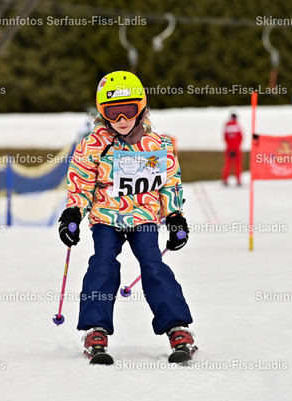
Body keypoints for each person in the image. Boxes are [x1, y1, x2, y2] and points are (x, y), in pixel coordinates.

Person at [58, 71, 196, 364]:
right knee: (102, 263)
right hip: (106, 217)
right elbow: (81, 183)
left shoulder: (157, 145)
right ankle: (95, 329)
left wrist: (175, 217)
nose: (121, 119)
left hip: (143, 217)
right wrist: (73, 213)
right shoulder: (93, 145)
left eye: (129, 111)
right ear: (102, 113)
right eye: (113, 113)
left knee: (153, 264)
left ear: (142, 109)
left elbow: (169, 183)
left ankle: (177, 327)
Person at [222, 113, 243, 186]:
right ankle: (238, 180)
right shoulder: (237, 125)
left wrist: (228, 145)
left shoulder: (227, 126)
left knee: (227, 164)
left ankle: (225, 180)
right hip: (236, 148)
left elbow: (225, 137)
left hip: (229, 148)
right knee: (237, 165)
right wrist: (238, 145)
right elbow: (241, 137)